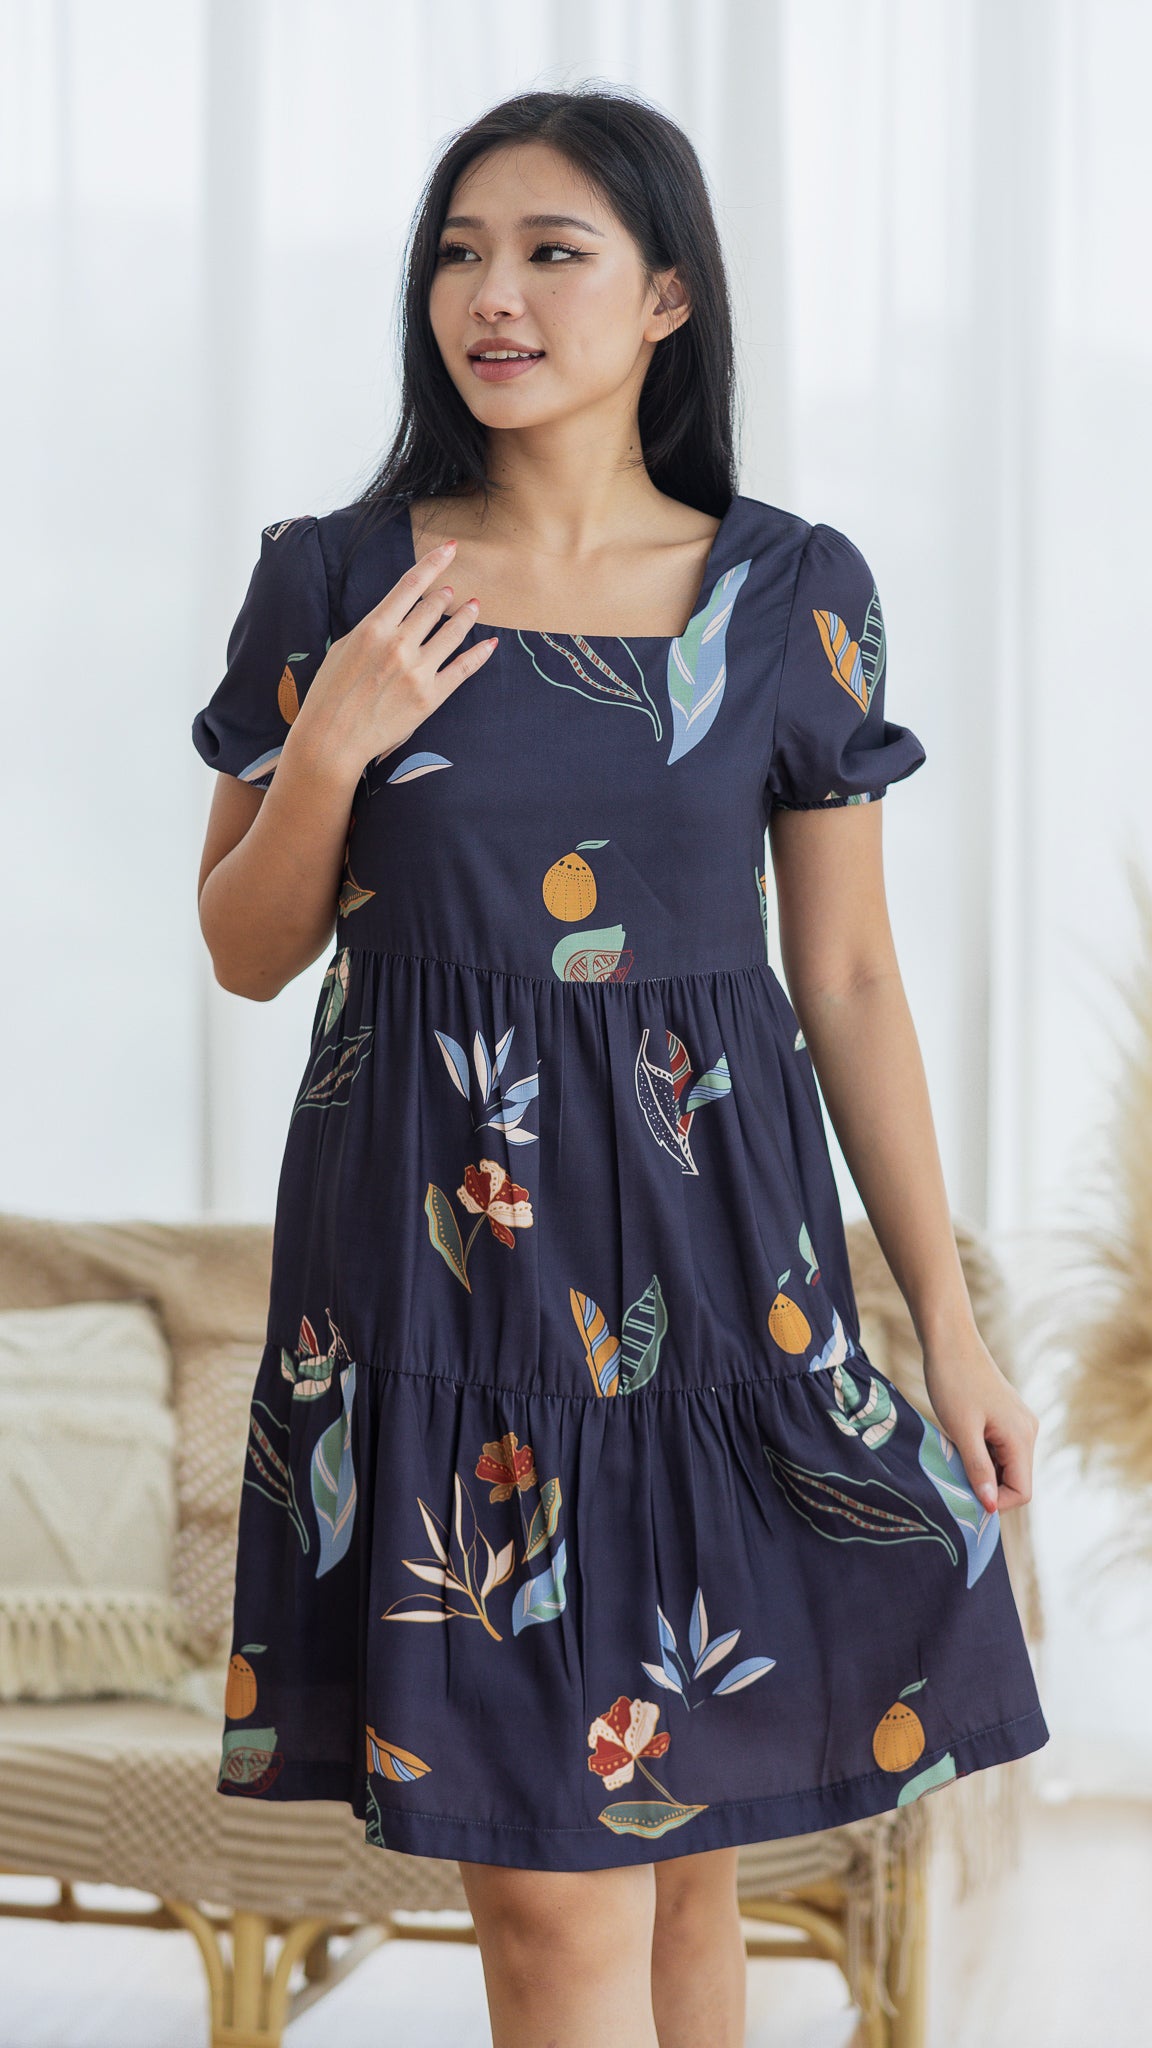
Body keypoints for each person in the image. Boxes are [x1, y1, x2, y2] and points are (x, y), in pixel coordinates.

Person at [192, 84, 1048, 2048]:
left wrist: (948, 1333)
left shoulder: (792, 593)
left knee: (682, 1884)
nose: (491, 296)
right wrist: (336, 744)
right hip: (450, 1302)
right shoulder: (331, 580)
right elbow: (245, 951)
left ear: (668, 296)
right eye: (458, 254)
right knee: (551, 1909)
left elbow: (848, 977)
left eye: (550, 252)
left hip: (717, 1298)